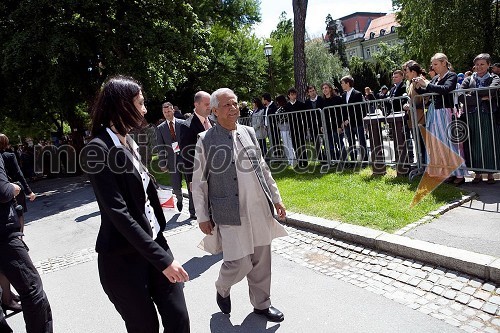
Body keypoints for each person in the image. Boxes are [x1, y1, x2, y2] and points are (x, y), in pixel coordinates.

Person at [81, 75, 190, 332]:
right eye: (140, 103)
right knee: (145, 327)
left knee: (179, 319)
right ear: (122, 105)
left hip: (154, 243)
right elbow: (118, 213)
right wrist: (162, 260)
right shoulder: (97, 149)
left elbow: (141, 193)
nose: (144, 109)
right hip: (123, 260)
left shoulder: (129, 140)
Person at [192, 88, 287, 322]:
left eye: (235, 104)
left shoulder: (248, 132)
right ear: (214, 111)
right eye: (227, 105)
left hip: (258, 207)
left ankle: (262, 304)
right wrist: (203, 216)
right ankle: (222, 287)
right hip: (229, 211)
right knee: (239, 262)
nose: (233, 109)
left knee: (262, 260)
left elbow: (263, 168)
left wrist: (276, 198)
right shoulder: (206, 140)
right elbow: (199, 182)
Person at [0, 153, 52, 332]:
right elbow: (3, 191)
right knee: (33, 291)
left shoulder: (7, 156)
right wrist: (16, 187)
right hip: (3, 235)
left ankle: (7, 299)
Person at [414, 53, 466, 185]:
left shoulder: (451, 76)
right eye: (433, 65)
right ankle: (447, 173)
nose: (433, 67)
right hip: (434, 112)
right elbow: (428, 91)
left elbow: (446, 89)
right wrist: (419, 86)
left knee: (450, 143)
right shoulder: (436, 78)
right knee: (439, 144)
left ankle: (459, 174)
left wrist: (426, 84)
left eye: (436, 64)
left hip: (445, 112)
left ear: (444, 63)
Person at [460, 53, 500, 184]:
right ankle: (477, 173)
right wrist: (481, 98)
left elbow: (492, 90)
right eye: (477, 64)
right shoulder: (468, 79)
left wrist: (472, 94)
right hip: (472, 115)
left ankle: (490, 174)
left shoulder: (495, 78)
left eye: (482, 64)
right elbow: (460, 95)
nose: (479, 67)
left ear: (488, 65)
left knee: (489, 143)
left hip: (488, 114)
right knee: (474, 143)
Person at [179, 91, 212, 220]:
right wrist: (191, 179)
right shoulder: (187, 126)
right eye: (206, 104)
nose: (209, 107)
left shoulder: (213, 123)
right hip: (200, 174)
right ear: (196, 104)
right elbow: (187, 155)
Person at [155, 102, 186, 211]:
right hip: (172, 160)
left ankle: (192, 209)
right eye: (165, 112)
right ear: (163, 113)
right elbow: (160, 147)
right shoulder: (160, 128)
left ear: (173, 110)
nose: (167, 114)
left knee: (190, 181)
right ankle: (179, 199)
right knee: (175, 183)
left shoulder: (182, 123)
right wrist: (162, 163)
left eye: (169, 111)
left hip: (185, 158)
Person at [403, 60, 427, 165]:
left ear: (413, 72)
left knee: (423, 145)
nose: (405, 74)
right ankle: (421, 165)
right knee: (418, 144)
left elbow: (426, 100)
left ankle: (425, 166)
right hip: (413, 119)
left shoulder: (420, 82)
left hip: (421, 119)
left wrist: (412, 106)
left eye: (407, 71)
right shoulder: (412, 83)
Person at [340, 75, 368, 163]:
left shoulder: (357, 94)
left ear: (348, 83)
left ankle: (364, 160)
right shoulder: (343, 95)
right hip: (348, 124)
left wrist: (350, 118)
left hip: (357, 123)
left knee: (361, 142)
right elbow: (344, 109)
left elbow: (360, 109)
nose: (341, 85)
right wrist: (344, 119)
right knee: (351, 142)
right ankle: (353, 160)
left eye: (343, 83)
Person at [321, 82, 346, 162]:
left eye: (326, 88)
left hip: (336, 126)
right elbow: (322, 114)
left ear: (330, 89)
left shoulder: (337, 99)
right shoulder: (322, 101)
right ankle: (336, 160)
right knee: (330, 146)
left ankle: (345, 161)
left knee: (340, 144)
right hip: (327, 126)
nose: (324, 90)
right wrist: (322, 125)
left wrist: (340, 125)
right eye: (323, 88)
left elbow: (341, 112)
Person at [284, 87, 307, 168]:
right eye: (291, 94)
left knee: (302, 144)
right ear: (289, 96)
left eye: (294, 94)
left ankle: (305, 161)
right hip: (292, 127)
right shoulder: (286, 106)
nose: (293, 96)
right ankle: (299, 161)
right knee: (295, 144)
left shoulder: (301, 104)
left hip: (300, 127)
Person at [274, 95, 296, 166]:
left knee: (289, 144)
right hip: (281, 128)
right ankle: (289, 159)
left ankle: (292, 159)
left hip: (286, 127)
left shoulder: (285, 107)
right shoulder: (280, 107)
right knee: (285, 144)